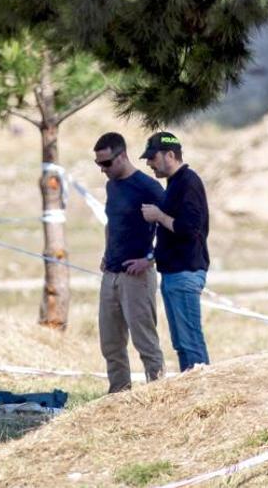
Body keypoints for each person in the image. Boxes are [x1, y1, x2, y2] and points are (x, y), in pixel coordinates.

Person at [94, 132, 166, 393]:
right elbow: (112, 222)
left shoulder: (148, 187)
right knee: (110, 342)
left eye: (107, 163)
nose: (103, 170)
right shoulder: (111, 186)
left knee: (145, 341)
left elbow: (174, 227)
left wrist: (150, 259)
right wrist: (106, 252)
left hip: (137, 277)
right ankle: (118, 394)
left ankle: (158, 394)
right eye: (98, 164)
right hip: (111, 273)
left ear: (122, 155)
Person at [140, 132, 211, 371]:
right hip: (173, 273)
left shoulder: (188, 182)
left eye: (152, 157)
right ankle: (192, 395)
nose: (149, 163)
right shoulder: (174, 184)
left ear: (170, 154)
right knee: (181, 344)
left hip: (185, 272)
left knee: (190, 343)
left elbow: (189, 228)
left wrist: (158, 215)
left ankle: (204, 397)